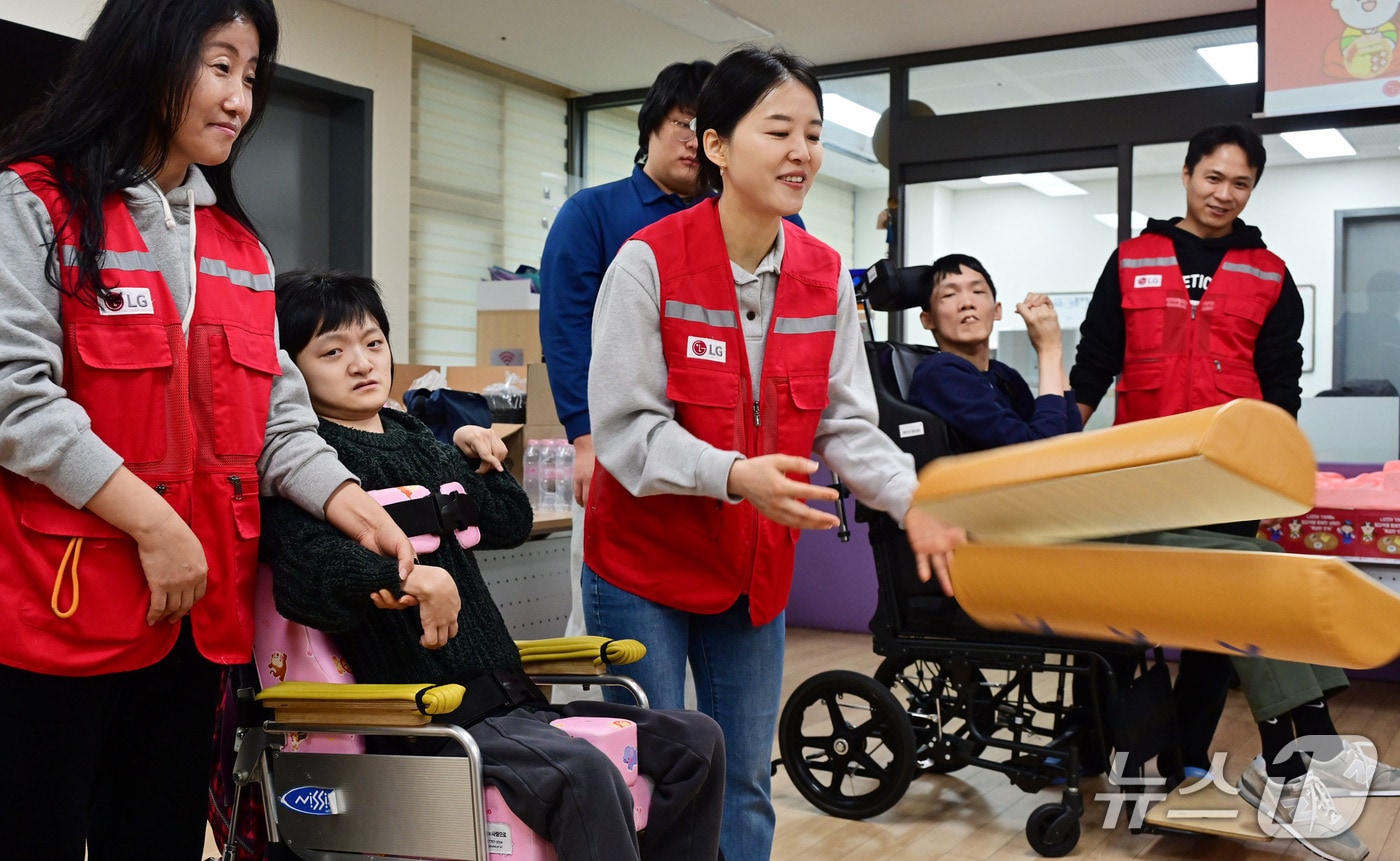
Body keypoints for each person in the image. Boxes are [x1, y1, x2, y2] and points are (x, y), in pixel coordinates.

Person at [0, 3, 415, 860]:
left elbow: (277, 421)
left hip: (195, 620)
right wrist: (156, 526)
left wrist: (351, 502)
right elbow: (17, 399)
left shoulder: (240, 249)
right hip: (58, 613)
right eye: (220, 66)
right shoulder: (34, 204)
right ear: (146, 58)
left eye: (252, 75)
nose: (240, 99)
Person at [582, 45, 964, 861]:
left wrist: (913, 497)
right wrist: (731, 474)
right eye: (779, 130)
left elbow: (846, 424)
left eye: (814, 135)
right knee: (651, 778)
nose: (802, 153)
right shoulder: (647, 263)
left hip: (752, 566)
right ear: (716, 145)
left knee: (745, 778)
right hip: (643, 563)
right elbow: (624, 429)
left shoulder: (825, 277)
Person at [262, 269, 726, 861]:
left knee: (696, 741)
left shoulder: (417, 439)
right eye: (332, 352)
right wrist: (404, 576)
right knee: (582, 772)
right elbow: (307, 571)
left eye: (373, 343)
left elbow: (508, 522)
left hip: (515, 702)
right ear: (290, 372)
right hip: (433, 721)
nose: (361, 363)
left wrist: (484, 456)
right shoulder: (305, 469)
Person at [539, 61, 713, 646]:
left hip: (710, 449)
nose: (695, 142)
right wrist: (585, 438)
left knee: (702, 612)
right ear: (651, 125)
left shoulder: (731, 219)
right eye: (684, 123)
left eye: (709, 129)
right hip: (618, 443)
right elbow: (566, 328)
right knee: (600, 618)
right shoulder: (592, 211)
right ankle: (583, 711)